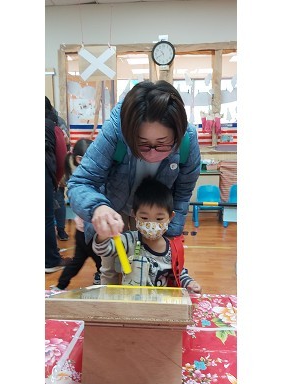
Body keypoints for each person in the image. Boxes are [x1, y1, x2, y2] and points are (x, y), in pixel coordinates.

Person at [66, 80, 201, 285]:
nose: (152, 153)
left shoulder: (187, 141)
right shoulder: (116, 130)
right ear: (129, 134)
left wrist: (172, 237)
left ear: (177, 134)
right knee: (111, 269)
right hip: (115, 208)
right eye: (142, 144)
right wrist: (97, 207)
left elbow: (182, 194)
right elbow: (80, 182)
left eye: (163, 144)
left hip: (155, 211)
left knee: (155, 266)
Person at [92, 177, 201, 293]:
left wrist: (190, 283)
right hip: (131, 300)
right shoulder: (129, 240)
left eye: (159, 218)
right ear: (134, 215)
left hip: (160, 301)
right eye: (144, 218)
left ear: (170, 217)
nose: (152, 224)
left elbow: (179, 273)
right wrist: (103, 235)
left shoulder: (172, 248)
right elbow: (102, 250)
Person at [50, 139, 103, 291]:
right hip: (88, 232)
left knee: (79, 262)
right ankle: (99, 278)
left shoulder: (83, 175)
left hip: (85, 231)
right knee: (100, 261)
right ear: (80, 159)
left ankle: (60, 286)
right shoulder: (82, 179)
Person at [45, 99, 71, 273]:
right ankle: (51, 261)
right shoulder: (53, 126)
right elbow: (62, 158)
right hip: (45, 174)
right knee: (46, 218)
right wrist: (56, 181)